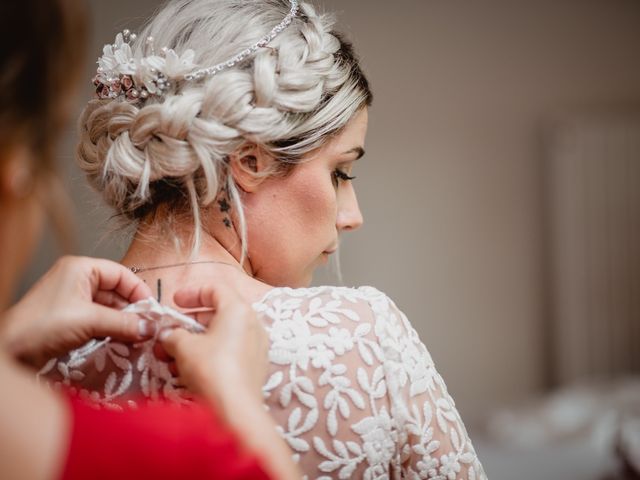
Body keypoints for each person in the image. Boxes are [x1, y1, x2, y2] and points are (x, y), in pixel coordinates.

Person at [43, 0, 488, 478]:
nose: (352, 216)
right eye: (340, 172)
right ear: (249, 161)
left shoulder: (40, 354)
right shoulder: (361, 335)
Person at [0, 0, 299, 479]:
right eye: (340, 172)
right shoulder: (171, 453)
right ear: (13, 170)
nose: (353, 217)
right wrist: (234, 398)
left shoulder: (40, 369)